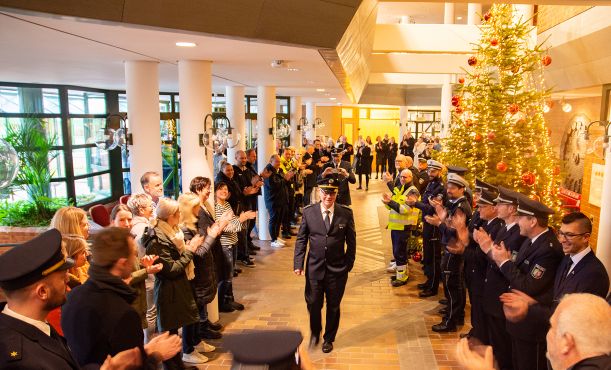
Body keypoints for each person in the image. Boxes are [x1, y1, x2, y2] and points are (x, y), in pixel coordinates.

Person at [0, 229, 174, 369]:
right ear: (42, 292)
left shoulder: (33, 328)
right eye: (62, 276)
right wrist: (152, 357)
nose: (68, 279)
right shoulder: (22, 360)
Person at [61, 227, 179, 368]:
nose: (135, 259)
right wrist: (155, 355)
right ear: (122, 263)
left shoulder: (73, 296)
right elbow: (131, 366)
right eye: (133, 255)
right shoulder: (123, 314)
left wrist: (146, 350)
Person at [489, 194, 564, 370]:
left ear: (532, 221)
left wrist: (504, 262)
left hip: (532, 324)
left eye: (521, 217)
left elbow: (529, 286)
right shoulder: (532, 241)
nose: (518, 221)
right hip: (520, 319)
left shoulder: (547, 249)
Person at [499, 211, 609, 325]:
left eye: (569, 235)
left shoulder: (594, 274)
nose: (562, 240)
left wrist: (530, 306)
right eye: (561, 233)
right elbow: (556, 295)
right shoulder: (567, 259)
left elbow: (573, 317)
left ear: (586, 237)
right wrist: (531, 301)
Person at [141, 198, 209, 368]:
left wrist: (187, 249)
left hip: (178, 287)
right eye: (178, 213)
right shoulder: (156, 239)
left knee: (174, 333)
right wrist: (190, 251)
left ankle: (177, 365)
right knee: (170, 334)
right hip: (168, 291)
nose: (180, 215)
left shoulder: (172, 231)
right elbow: (170, 270)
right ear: (171, 216)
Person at [294, 175, 356, 354]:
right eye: (325, 192)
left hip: (338, 269)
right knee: (313, 302)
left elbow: (352, 241)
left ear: (337, 193)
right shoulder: (309, 212)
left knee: (334, 305)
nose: (329, 196)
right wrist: (298, 262)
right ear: (319, 192)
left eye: (332, 193)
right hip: (314, 267)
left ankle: (329, 338)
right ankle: (315, 331)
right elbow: (301, 239)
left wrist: (349, 263)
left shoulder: (346, 213)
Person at [475, 185, 527, 370]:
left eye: (501, 204)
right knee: (496, 344)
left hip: (502, 296)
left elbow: (504, 263)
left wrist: (487, 247)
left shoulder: (518, 234)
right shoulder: (506, 228)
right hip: (493, 295)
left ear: (512, 209)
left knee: (503, 348)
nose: (496, 207)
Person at [426, 173, 472, 332]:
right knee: (453, 284)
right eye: (449, 186)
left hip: (454, 250)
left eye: (453, 187)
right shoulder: (456, 204)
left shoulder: (461, 207)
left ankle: (451, 321)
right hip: (451, 248)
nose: (449, 189)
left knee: (453, 285)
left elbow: (454, 231)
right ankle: (455, 314)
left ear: (462, 189)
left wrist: (439, 223)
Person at [462, 189, 503, 342]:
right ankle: (477, 333)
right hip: (475, 272)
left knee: (480, 310)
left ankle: (480, 338)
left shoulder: (496, 226)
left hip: (482, 274)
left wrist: (462, 248)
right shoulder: (486, 222)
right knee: (476, 307)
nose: (478, 210)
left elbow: (482, 255)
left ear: (494, 208)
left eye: (482, 206)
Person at [214, 182, 256, 312]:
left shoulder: (226, 204)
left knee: (230, 273)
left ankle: (229, 299)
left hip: (233, 241)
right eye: (221, 189)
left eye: (226, 189)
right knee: (226, 275)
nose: (224, 191)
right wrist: (242, 218)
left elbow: (232, 223)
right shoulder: (216, 208)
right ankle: (221, 304)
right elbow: (226, 227)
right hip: (225, 244)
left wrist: (240, 219)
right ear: (215, 191)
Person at [409, 160, 445, 298]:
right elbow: (425, 202)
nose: (430, 173)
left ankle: (433, 287)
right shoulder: (431, 184)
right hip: (427, 223)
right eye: (429, 170)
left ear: (439, 172)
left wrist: (416, 203)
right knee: (428, 255)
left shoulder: (440, 188)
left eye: (433, 171)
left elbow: (432, 208)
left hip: (434, 226)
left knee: (434, 257)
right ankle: (429, 281)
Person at [127, 193, 160, 343]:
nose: (152, 208)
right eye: (149, 206)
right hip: (146, 275)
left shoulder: (138, 225)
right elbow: (145, 251)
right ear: (140, 209)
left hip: (144, 273)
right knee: (150, 312)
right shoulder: (143, 228)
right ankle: (150, 344)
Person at [382, 169, 420, 287]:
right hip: (396, 226)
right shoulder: (403, 188)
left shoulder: (412, 191)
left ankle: (402, 278)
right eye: (401, 177)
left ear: (411, 178)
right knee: (397, 252)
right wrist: (387, 202)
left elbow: (405, 210)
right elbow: (393, 206)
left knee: (400, 253)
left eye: (405, 177)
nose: (402, 179)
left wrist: (390, 202)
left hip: (403, 227)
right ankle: (400, 274)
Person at [264, 154, 290, 248]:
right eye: (277, 161)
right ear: (271, 161)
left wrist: (285, 179)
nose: (279, 163)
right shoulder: (267, 170)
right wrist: (284, 179)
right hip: (273, 200)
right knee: (273, 220)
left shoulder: (277, 170)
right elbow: (273, 185)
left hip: (280, 200)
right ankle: (273, 240)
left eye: (279, 161)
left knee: (278, 220)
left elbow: (281, 182)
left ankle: (276, 237)